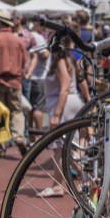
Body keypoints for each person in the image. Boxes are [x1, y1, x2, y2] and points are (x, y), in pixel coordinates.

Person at [36, 34, 84, 198]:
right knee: (62, 148)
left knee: (65, 148)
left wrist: (56, 114)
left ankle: (86, 179)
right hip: (67, 103)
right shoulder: (67, 59)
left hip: (63, 105)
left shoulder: (60, 61)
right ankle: (60, 184)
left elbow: (64, 87)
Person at [0, 10, 28, 155]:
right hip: (15, 81)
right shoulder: (18, 40)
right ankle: (19, 136)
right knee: (16, 111)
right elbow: (24, 62)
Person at [26, 17, 50, 136]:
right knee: (38, 108)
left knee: (30, 108)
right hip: (39, 76)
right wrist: (49, 49)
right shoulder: (38, 37)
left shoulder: (28, 35)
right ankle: (39, 136)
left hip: (29, 76)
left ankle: (31, 135)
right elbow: (44, 55)